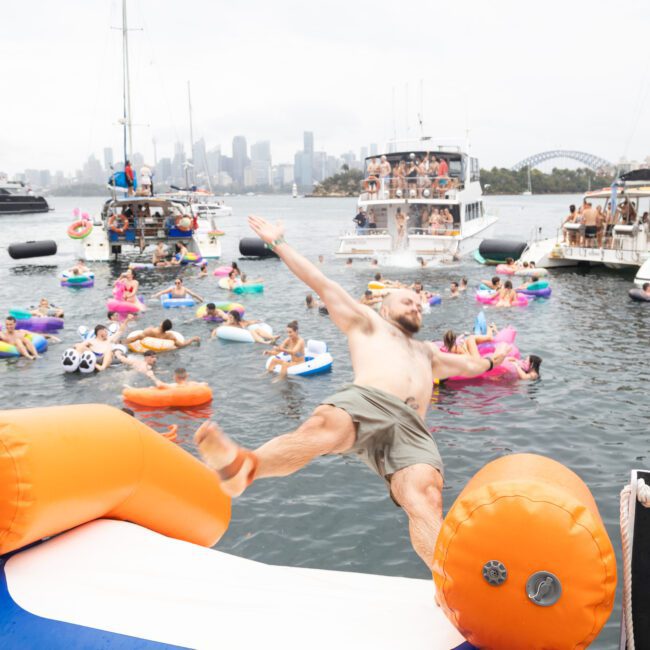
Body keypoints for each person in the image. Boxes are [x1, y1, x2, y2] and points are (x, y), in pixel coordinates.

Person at [194, 215, 510, 571]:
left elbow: (468, 367)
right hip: (369, 401)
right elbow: (321, 282)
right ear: (385, 307)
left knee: (425, 494)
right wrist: (278, 243)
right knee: (327, 428)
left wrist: (491, 361)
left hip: (411, 429)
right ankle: (246, 467)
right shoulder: (368, 322)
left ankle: (448, 575)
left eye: (418, 305)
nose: (415, 307)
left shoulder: (428, 354)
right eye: (407, 301)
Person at [210, 310, 279, 344]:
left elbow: (249, 322)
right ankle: (265, 343)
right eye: (229, 317)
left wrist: (258, 321)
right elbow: (217, 329)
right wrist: (212, 337)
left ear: (235, 318)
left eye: (231, 317)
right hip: (247, 335)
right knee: (252, 331)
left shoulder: (241, 323)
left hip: (248, 333)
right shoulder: (227, 325)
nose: (229, 319)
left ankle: (272, 337)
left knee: (257, 329)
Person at [126, 319, 200, 348]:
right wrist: (192, 339)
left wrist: (121, 342)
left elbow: (134, 338)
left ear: (161, 324)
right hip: (162, 350)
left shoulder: (150, 331)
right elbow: (182, 345)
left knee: (150, 327)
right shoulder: (169, 336)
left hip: (148, 347)